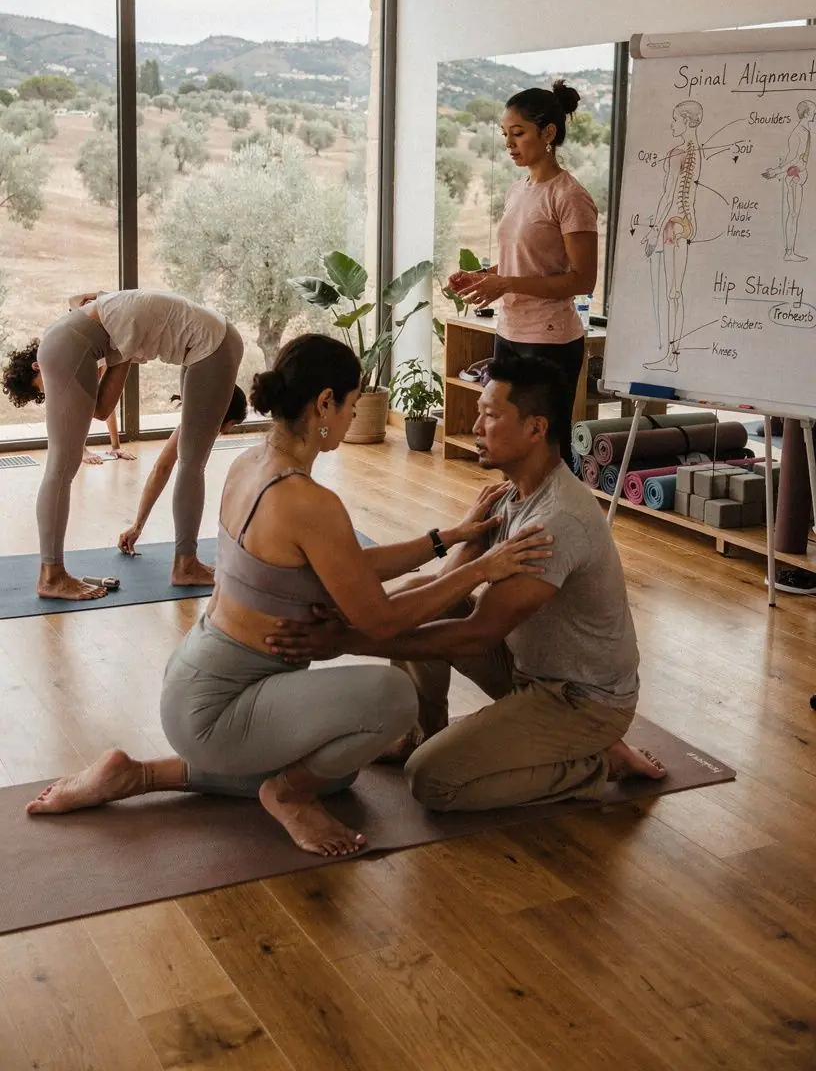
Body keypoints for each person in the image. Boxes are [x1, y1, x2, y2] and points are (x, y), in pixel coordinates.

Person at [25, 334, 552, 857]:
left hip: (194, 679)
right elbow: (382, 622)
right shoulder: (307, 501)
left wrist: (445, 540)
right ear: (326, 402)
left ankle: (136, 774)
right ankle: (287, 793)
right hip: (220, 707)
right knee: (394, 700)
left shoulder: (248, 464)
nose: (349, 419)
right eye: (350, 404)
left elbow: (343, 565)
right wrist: (483, 567)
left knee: (339, 773)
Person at [264, 353, 666, 813]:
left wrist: (346, 640)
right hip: (527, 669)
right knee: (431, 603)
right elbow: (444, 586)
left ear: (536, 429)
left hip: (582, 701)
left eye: (490, 416)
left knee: (432, 780)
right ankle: (419, 729)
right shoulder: (512, 494)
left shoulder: (557, 521)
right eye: (479, 412)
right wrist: (359, 618)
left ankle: (595, 762)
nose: (476, 426)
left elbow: (479, 632)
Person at [1, 288, 243, 601]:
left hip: (68, 345)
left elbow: (102, 410)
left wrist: (122, 354)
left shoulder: (117, 334)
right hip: (72, 346)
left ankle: (183, 563)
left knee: (63, 468)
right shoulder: (213, 340)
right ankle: (55, 576)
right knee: (190, 462)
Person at [446, 82, 598, 465]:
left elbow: (582, 280)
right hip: (509, 333)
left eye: (518, 133)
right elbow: (523, 260)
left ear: (548, 133)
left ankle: (558, 524)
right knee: (505, 444)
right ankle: (516, 522)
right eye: (505, 135)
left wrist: (508, 283)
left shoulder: (569, 196)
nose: (509, 144)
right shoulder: (519, 189)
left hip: (549, 342)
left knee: (546, 448)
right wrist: (484, 277)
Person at [117, 384, 247, 555]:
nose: (228, 431)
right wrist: (137, 525)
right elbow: (162, 469)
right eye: (232, 425)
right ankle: (185, 563)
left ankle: (186, 560)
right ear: (222, 415)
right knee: (192, 470)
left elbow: (161, 468)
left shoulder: (201, 410)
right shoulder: (200, 420)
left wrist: (137, 526)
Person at [643, 99, 704, 372]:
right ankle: (672, 355)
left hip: (671, 226)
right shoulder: (698, 151)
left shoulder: (678, 152)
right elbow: (689, 196)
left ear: (687, 122)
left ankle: (671, 357)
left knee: (672, 293)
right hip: (686, 224)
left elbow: (668, 196)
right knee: (675, 292)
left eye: (675, 120)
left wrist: (654, 234)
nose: (672, 125)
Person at [762, 98, 816, 262]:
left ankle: (790, 251)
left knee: (795, 214)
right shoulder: (798, 132)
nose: (815, 114)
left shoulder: (806, 130)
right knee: (793, 214)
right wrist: (776, 172)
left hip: (798, 175)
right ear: (806, 113)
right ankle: (789, 252)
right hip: (794, 177)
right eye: (813, 112)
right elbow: (792, 159)